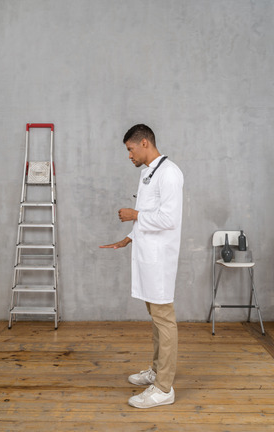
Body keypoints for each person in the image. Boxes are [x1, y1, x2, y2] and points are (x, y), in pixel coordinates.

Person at [100, 124, 183, 409]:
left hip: (160, 259)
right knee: (155, 316)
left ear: (144, 143)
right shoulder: (148, 173)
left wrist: (134, 214)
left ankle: (164, 388)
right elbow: (149, 217)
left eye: (130, 149)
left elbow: (169, 219)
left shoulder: (170, 173)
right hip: (148, 255)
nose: (129, 155)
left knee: (164, 319)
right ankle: (157, 371)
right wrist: (128, 238)